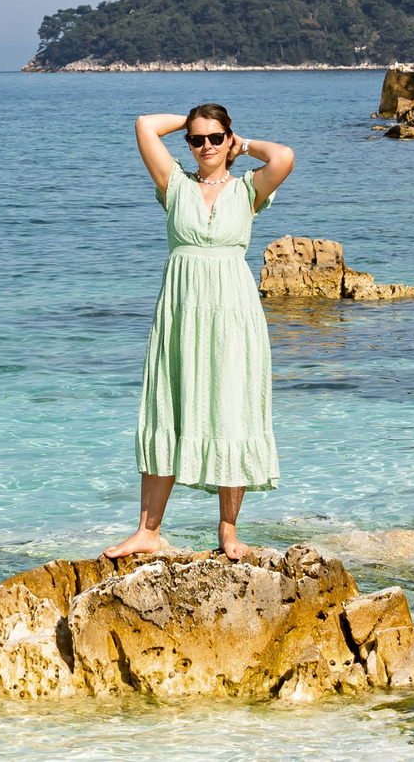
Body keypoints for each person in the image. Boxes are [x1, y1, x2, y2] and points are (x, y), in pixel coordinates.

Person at [104, 104, 293, 562]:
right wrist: (191, 118)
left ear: (228, 140)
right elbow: (145, 126)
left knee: (233, 410)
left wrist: (241, 144)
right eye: (196, 140)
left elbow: (284, 156)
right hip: (180, 312)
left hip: (233, 315)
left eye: (214, 138)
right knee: (166, 409)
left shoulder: (248, 188)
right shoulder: (175, 185)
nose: (205, 146)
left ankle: (229, 532)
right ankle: (148, 531)